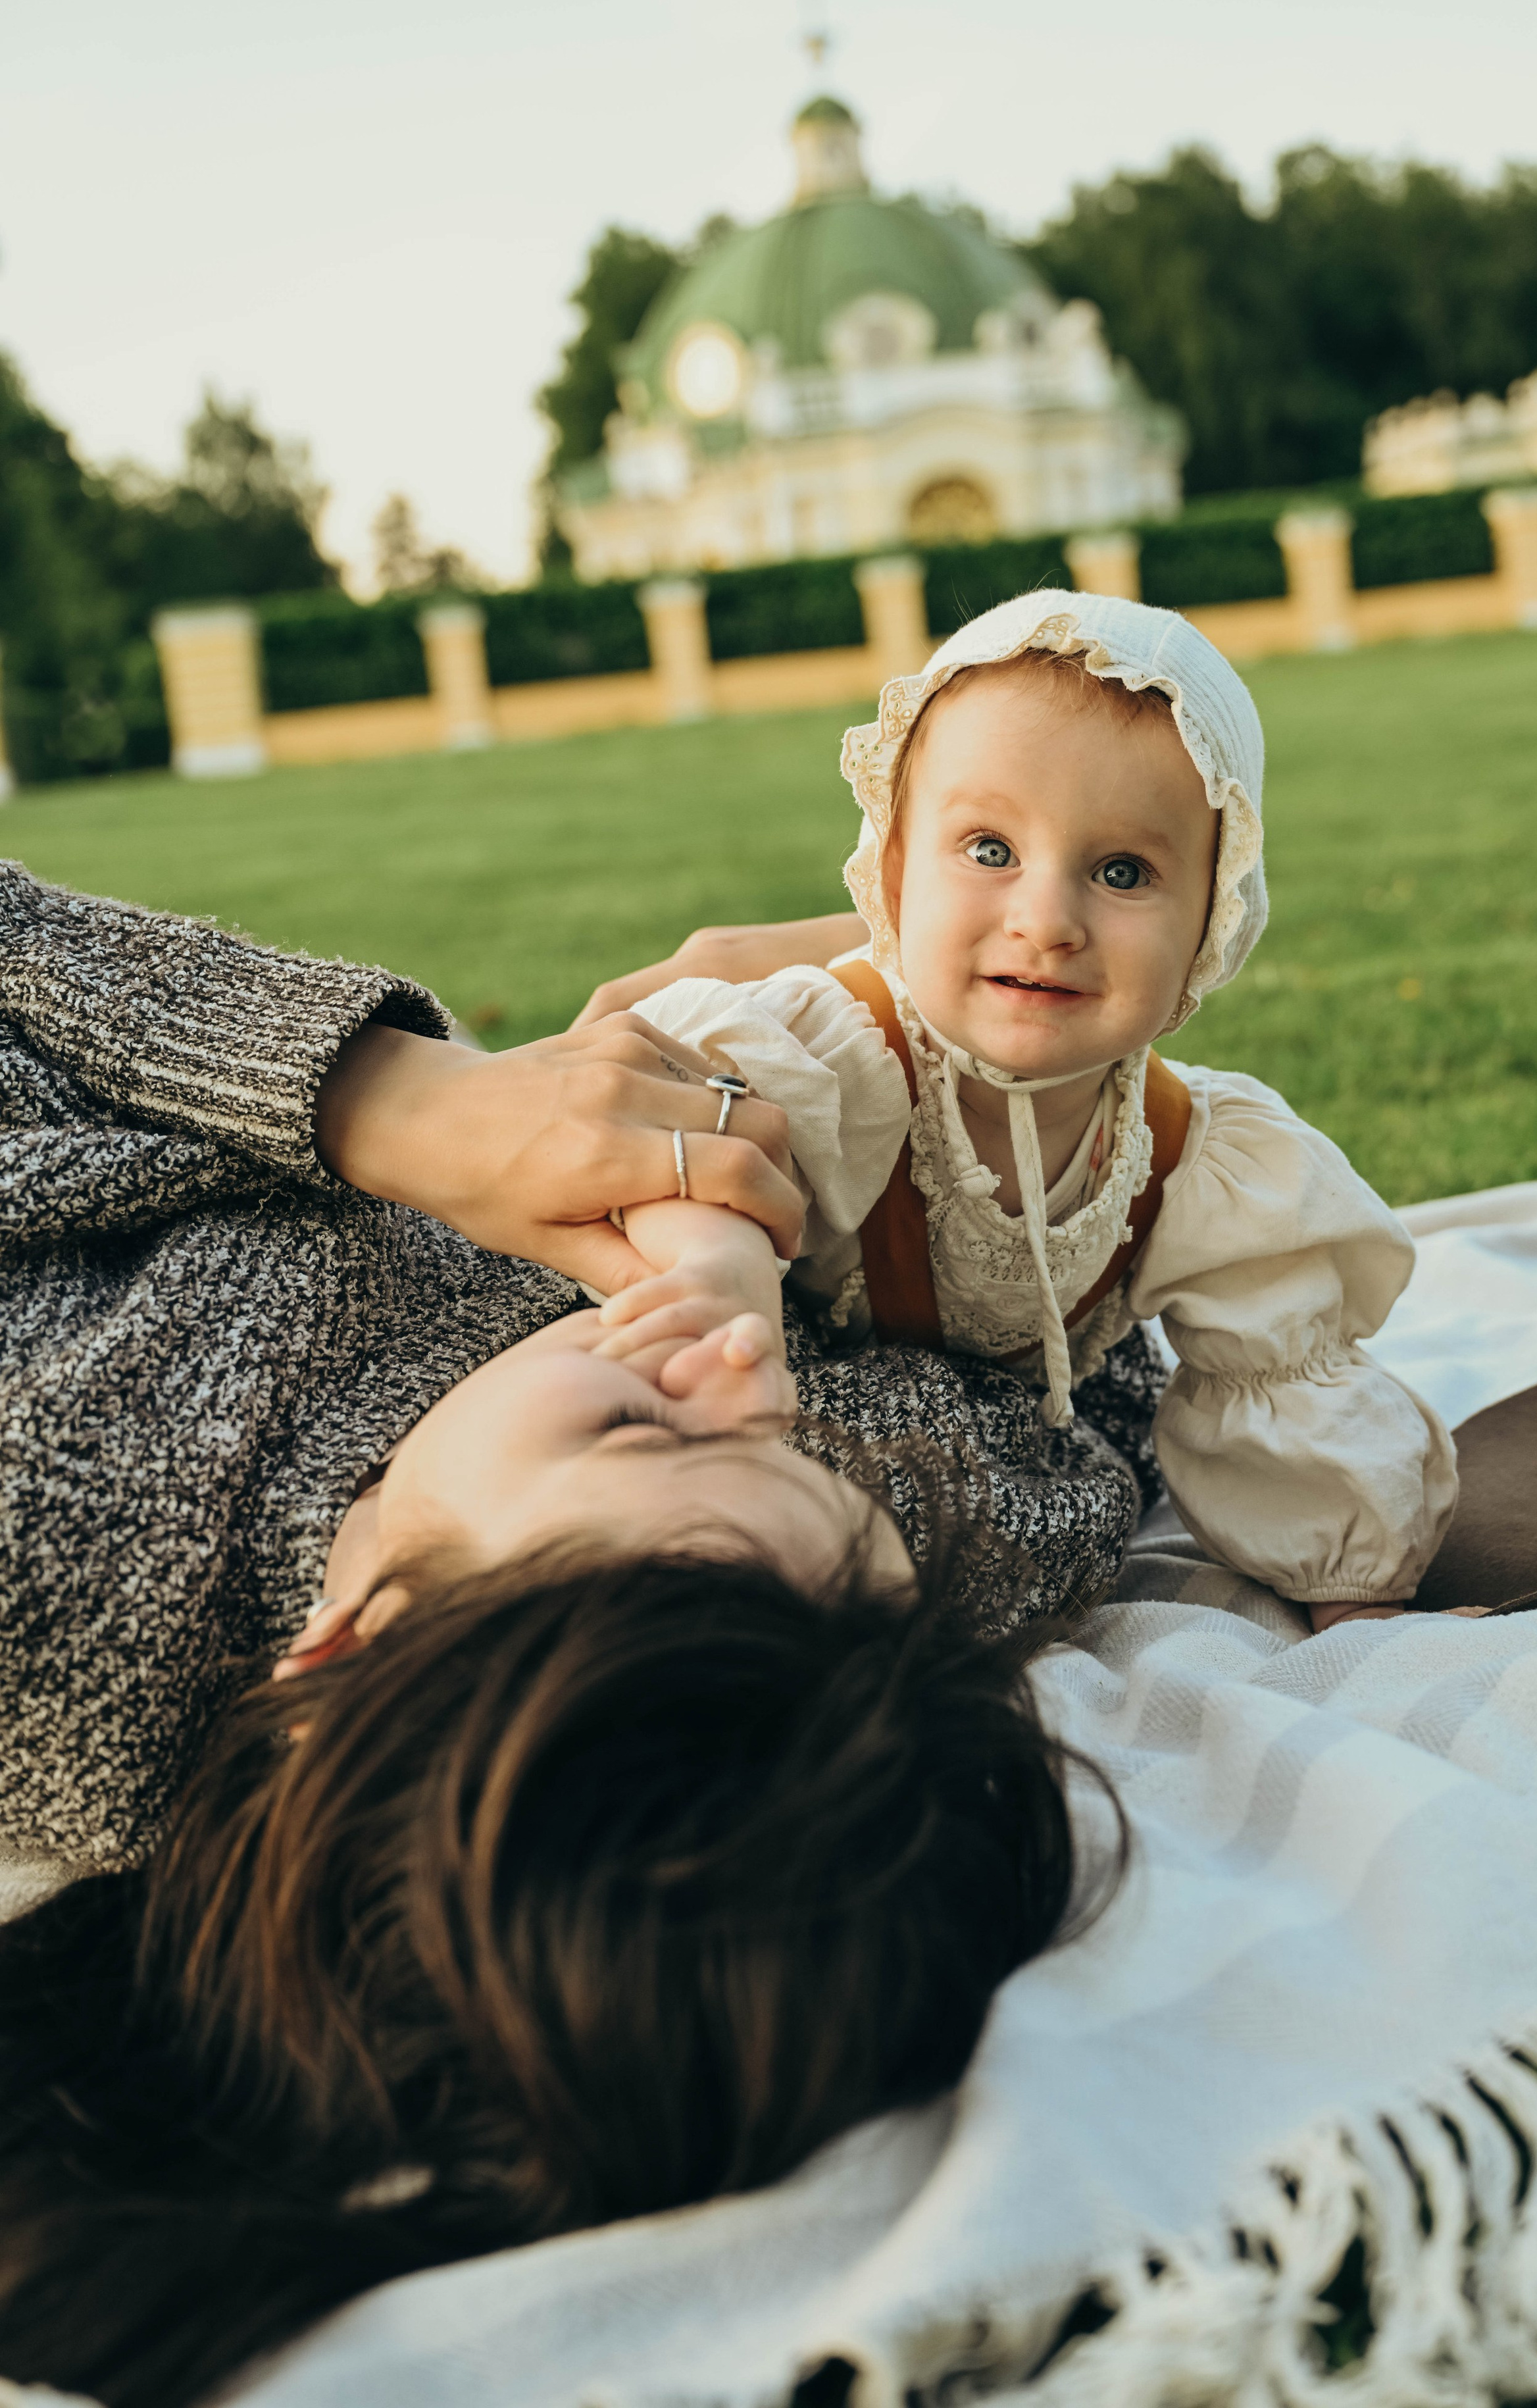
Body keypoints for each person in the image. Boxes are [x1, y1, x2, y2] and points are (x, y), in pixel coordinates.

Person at [0, 859, 1133, 2408]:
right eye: (806, 1459)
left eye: (640, 1432)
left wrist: (390, 1105)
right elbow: (1090, 1412)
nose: (742, 1376)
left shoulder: (46, 1552)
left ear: (342, 1651)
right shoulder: (796, 1565)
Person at [595, 591, 1459, 1629]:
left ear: (1213, 923)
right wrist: (717, 1274)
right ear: (898, 872)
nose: (1047, 921)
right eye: (991, 851)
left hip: (1011, 1405)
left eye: (1123, 872)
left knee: (1086, 1489)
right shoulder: (841, 1045)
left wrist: (1354, 1588)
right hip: (748, 1369)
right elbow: (687, 1126)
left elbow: (1282, 1368)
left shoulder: (1192, 1152)